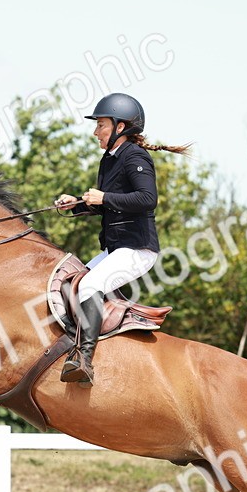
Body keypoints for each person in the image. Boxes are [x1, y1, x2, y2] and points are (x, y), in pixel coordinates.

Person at [55, 93, 189, 385]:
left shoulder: (135, 157)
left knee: (90, 285)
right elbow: (108, 203)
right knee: (69, 283)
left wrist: (103, 197)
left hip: (137, 249)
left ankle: (84, 360)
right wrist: (76, 203)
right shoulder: (109, 159)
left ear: (120, 127)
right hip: (115, 248)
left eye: (100, 125)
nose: (95, 132)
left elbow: (146, 198)